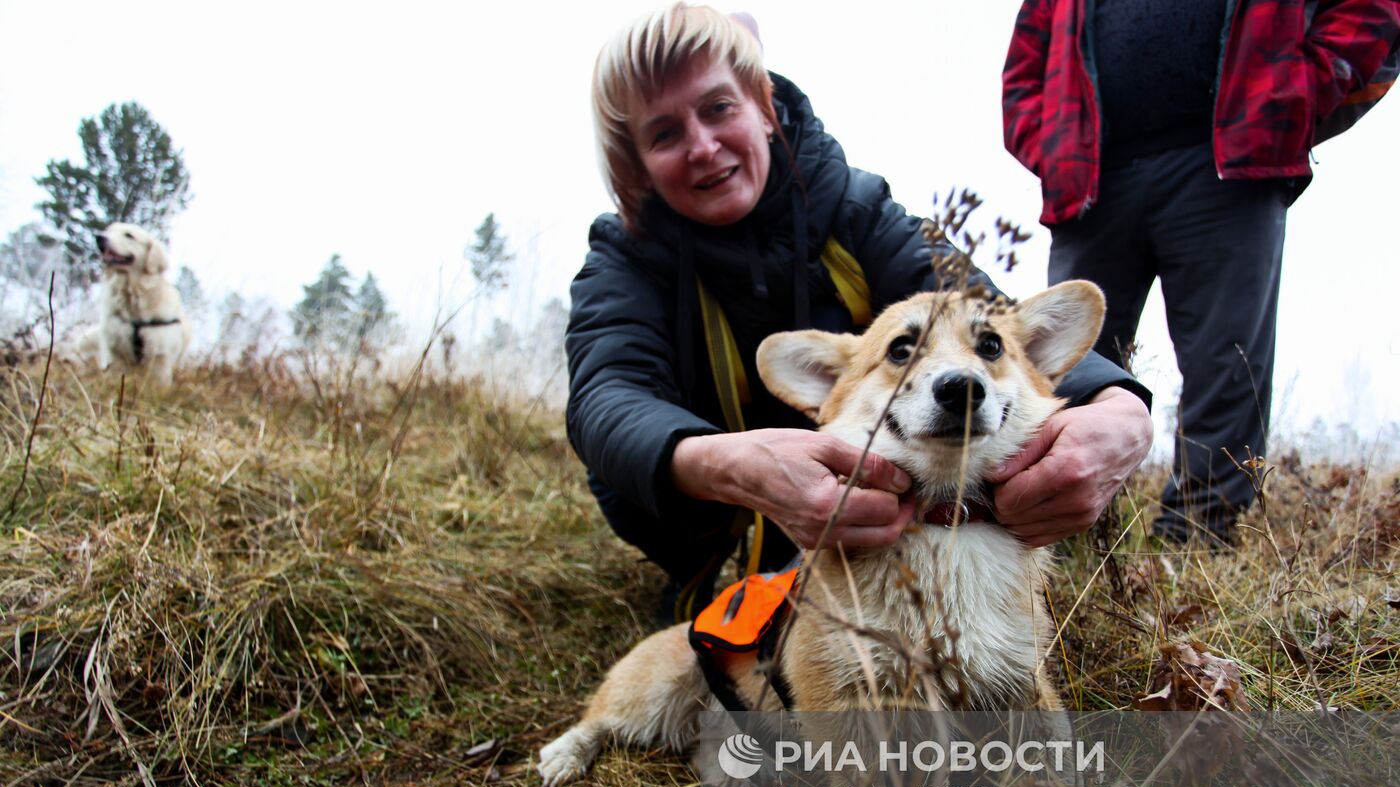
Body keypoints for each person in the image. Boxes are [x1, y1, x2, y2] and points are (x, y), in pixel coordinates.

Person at [567, 2, 1154, 624]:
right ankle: (702, 573)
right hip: (721, 473)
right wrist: (729, 465)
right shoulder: (621, 256)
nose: (704, 147)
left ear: (764, 108)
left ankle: (925, 562)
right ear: (636, 162)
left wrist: (1122, 407)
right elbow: (606, 397)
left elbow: (986, 318)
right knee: (627, 468)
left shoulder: (859, 211)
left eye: (719, 108)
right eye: (665, 133)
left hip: (884, 465)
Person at [1002, 0, 1400, 543]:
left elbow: (1369, 14)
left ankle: (1197, 533)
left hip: (1228, 163)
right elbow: (1026, 66)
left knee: (1226, 360)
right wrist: (1052, 145)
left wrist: (1293, 95)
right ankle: (1057, 528)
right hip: (1092, 176)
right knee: (1062, 359)